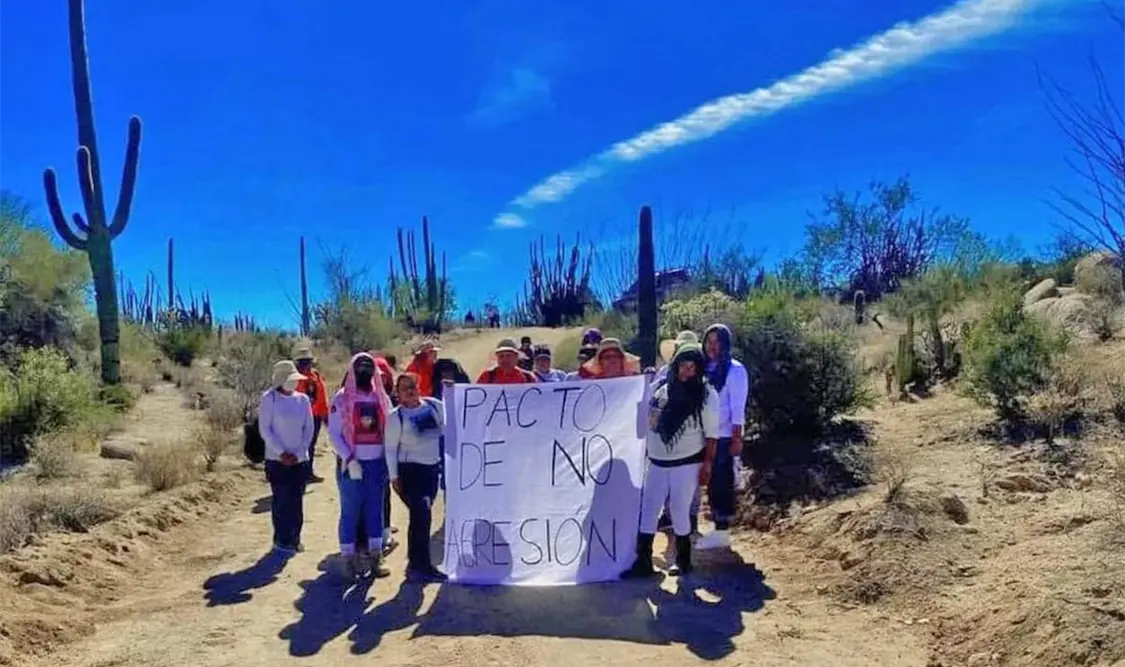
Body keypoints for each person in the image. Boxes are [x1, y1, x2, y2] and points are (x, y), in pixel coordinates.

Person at [622, 343, 719, 578]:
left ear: (698, 370)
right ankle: (643, 561)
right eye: (682, 366)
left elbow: (712, 435)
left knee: (678, 510)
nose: (686, 371)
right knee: (649, 509)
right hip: (656, 462)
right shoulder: (662, 390)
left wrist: (707, 464)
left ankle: (683, 560)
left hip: (686, 464)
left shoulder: (706, 395)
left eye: (691, 367)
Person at [328, 352, 394, 578]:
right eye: (360, 365)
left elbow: (390, 431)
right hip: (351, 464)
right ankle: (348, 558)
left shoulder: (382, 398)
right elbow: (335, 434)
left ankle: (376, 558)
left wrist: (388, 460)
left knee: (375, 510)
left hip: (377, 462)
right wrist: (348, 458)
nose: (365, 369)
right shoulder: (341, 398)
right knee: (351, 511)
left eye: (369, 365)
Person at [385, 373, 447, 582]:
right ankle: (421, 565)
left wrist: (452, 390)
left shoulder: (434, 406)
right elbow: (390, 449)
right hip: (409, 471)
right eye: (404, 388)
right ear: (397, 393)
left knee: (421, 517)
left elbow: (454, 420)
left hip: (431, 470)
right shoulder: (396, 417)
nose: (409, 390)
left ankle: (415, 563)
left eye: (412, 385)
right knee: (422, 514)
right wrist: (394, 478)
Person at [694, 323, 750, 551]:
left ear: (725, 344)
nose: (712, 346)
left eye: (717, 341)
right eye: (708, 341)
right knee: (709, 480)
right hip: (704, 434)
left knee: (721, 481)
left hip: (725, 435)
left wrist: (737, 437)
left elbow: (737, 407)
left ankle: (722, 529)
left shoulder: (735, 370)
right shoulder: (704, 368)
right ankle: (714, 526)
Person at [258, 360, 315, 555]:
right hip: (276, 460)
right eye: (290, 380)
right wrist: (281, 452)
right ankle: (282, 539)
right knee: (281, 499)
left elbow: (309, 428)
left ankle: (295, 537)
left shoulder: (303, 400)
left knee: (296, 500)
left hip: (299, 460)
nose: (294, 383)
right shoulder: (269, 399)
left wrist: (299, 453)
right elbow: (265, 429)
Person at [293, 348, 329, 483]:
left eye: (308, 362)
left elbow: (322, 394)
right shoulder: (294, 377)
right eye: (303, 362)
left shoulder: (315, 375)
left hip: (315, 416)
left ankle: (308, 473)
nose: (306, 365)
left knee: (311, 444)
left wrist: (325, 413)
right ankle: (298, 473)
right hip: (299, 417)